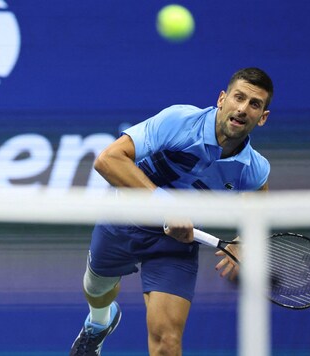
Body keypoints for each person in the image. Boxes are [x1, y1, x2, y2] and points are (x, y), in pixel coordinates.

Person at [70, 67, 274, 356]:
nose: (242, 109)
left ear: (262, 117)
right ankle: (99, 322)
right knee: (96, 289)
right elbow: (108, 160)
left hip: (176, 243)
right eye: (238, 98)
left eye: (254, 104)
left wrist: (246, 240)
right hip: (123, 217)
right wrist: (167, 206)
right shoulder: (179, 121)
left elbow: (258, 206)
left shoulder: (253, 169)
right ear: (221, 99)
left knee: (167, 344)